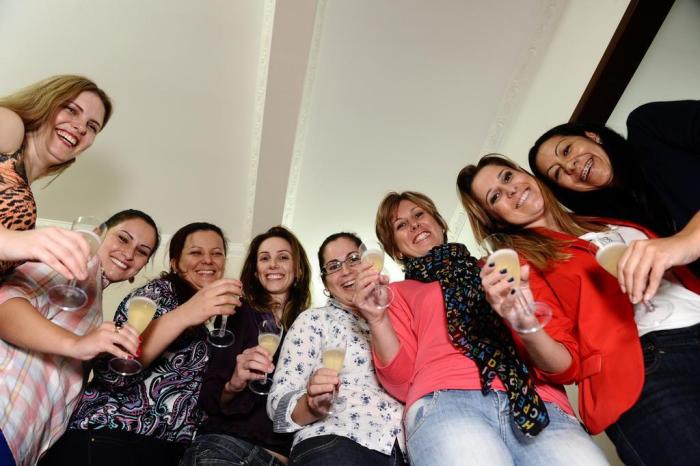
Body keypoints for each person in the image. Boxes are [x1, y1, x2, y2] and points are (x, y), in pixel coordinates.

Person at [458, 154, 700, 465]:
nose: (510, 190)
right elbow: (565, 365)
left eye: (507, 177)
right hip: (649, 368)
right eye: (496, 197)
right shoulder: (525, 265)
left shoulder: (607, 217)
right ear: (496, 219)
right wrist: (524, 323)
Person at [351, 191, 606, 466]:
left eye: (419, 214)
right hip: (445, 402)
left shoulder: (498, 269)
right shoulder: (396, 293)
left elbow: (556, 354)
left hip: (538, 401)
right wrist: (377, 320)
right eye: (401, 225)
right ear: (396, 249)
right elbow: (401, 382)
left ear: (440, 223)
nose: (414, 225)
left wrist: (522, 314)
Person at [41, 222, 243, 466]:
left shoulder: (207, 327)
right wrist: (188, 313)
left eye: (216, 253)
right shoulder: (158, 294)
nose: (208, 260)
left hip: (167, 448)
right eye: (195, 252)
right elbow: (113, 372)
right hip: (114, 435)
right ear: (175, 263)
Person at [0, 209, 159, 466]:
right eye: (123, 238)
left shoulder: (95, 305)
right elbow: (4, 308)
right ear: (98, 235)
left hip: (20, 445)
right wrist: (76, 344)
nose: (129, 254)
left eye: (142, 251)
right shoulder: (73, 267)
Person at [528, 100, 700, 302]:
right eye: (557, 173)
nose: (569, 166)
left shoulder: (648, 126)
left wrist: (686, 241)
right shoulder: (623, 228)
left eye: (567, 150)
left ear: (592, 135)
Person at [267, 232, 406, 466]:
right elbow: (278, 403)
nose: (346, 271)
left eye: (354, 259)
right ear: (326, 285)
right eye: (333, 266)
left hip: (405, 450)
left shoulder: (398, 315)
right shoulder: (312, 320)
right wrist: (311, 406)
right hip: (336, 441)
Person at [182, 226, 312, 466]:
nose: (273, 265)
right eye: (264, 258)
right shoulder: (238, 313)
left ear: (299, 269)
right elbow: (209, 399)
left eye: (283, 257)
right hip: (228, 448)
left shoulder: (310, 326)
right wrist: (234, 384)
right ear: (255, 271)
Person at [0, 75, 113, 279]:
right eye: (71, 109)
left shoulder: (23, 185)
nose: (81, 127)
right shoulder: (10, 126)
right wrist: (9, 241)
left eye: (92, 126)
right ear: (46, 103)